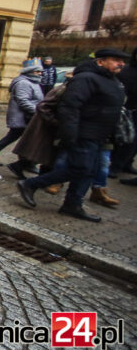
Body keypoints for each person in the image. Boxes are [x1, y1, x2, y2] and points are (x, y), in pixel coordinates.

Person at [16, 48, 129, 222]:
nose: (120, 64)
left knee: (88, 171)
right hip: (83, 134)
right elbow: (70, 108)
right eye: (115, 60)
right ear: (100, 61)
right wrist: (69, 134)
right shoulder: (86, 79)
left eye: (122, 61)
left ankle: (72, 204)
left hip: (101, 135)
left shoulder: (113, 80)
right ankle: (30, 184)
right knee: (80, 168)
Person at [0, 58, 44, 178]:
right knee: (23, 140)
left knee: (20, 139)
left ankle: (26, 163)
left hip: (28, 117)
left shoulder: (33, 82)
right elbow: (23, 101)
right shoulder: (23, 83)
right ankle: (24, 163)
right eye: (37, 72)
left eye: (40, 72)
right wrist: (39, 111)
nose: (40, 74)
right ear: (30, 72)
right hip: (23, 118)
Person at [112, 47, 137, 177]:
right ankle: (115, 166)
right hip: (126, 110)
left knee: (134, 143)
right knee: (124, 139)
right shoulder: (125, 71)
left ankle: (127, 164)